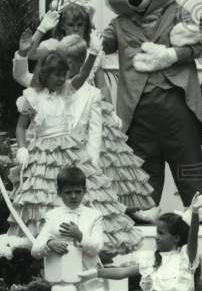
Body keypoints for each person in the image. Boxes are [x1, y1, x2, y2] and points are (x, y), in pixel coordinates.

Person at [14, 34, 155, 220]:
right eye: (56, 75)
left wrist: (94, 53)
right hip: (42, 150)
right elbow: (21, 127)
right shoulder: (32, 96)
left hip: (69, 148)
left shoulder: (66, 91)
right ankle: (46, 227)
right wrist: (22, 148)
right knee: (43, 188)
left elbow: (82, 75)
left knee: (80, 183)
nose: (61, 79)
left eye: (63, 75)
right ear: (45, 75)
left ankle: (82, 223)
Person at [31, 167, 108, 291]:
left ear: (84, 191)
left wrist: (79, 235)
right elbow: (36, 248)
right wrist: (49, 243)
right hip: (67, 281)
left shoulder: (94, 215)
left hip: (91, 278)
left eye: (78, 192)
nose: (73, 196)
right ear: (59, 193)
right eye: (68, 192)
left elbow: (97, 246)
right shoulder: (53, 216)